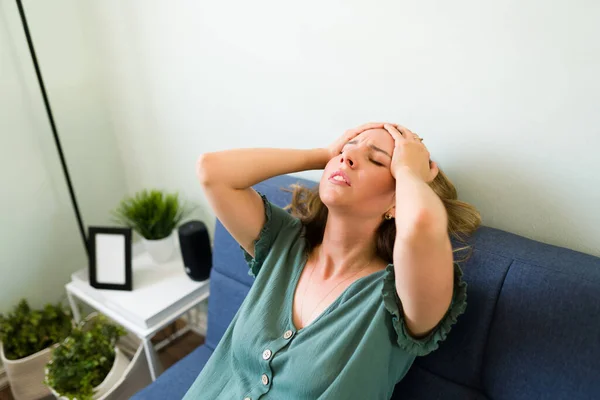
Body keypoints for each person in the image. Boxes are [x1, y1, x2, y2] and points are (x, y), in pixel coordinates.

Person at [183, 122, 481, 399]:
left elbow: (422, 225)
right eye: (347, 148)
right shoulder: (282, 242)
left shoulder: (403, 301)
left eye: (376, 160)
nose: (348, 156)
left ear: (396, 202)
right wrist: (323, 154)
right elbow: (212, 171)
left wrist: (409, 172)